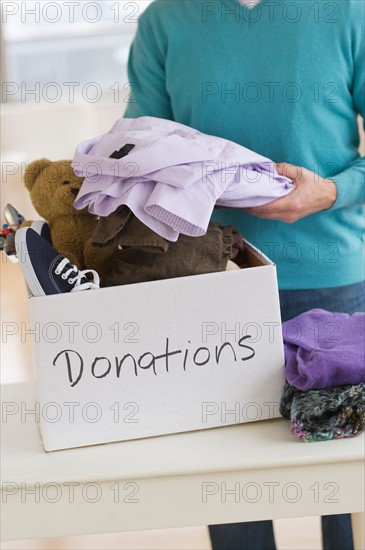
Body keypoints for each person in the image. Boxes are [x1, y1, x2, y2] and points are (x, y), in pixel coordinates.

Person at [123, 0, 365, 548]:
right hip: (212, 282)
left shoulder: (348, 13)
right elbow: (140, 153)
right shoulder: (164, 22)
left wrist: (329, 191)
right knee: (231, 483)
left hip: (332, 278)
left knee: (344, 479)